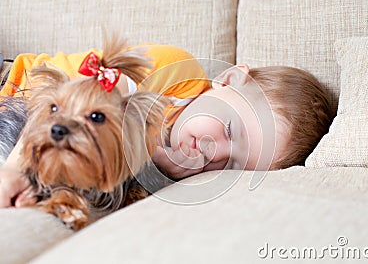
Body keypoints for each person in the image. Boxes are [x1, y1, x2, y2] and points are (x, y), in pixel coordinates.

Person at [0, 44, 332, 208]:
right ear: (228, 80)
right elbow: (73, 99)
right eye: (230, 130)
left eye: (232, 163)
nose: (213, 152)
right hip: (16, 84)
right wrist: (15, 169)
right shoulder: (177, 74)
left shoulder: (170, 174)